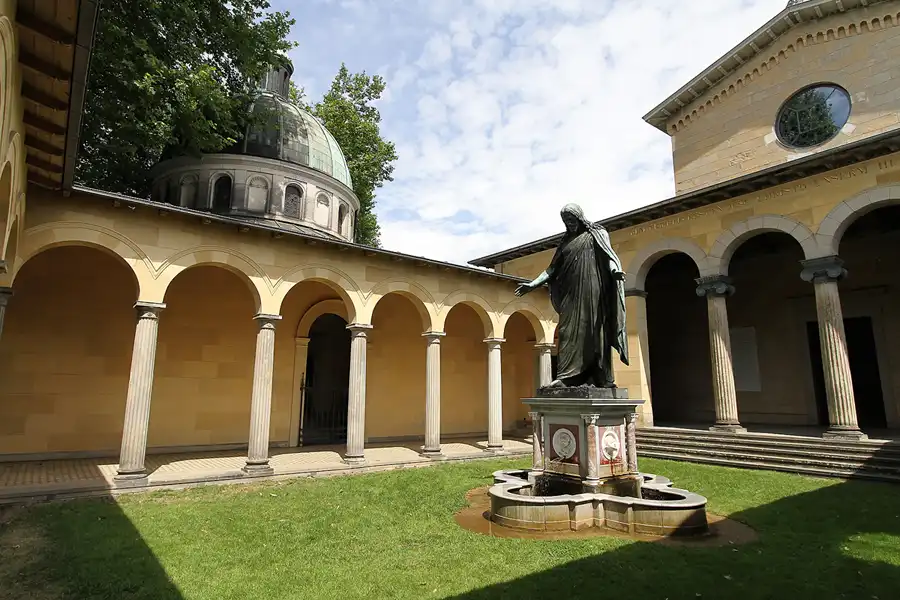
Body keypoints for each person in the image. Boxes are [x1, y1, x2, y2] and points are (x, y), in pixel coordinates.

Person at [515, 203, 628, 388]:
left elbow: (609, 257)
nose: (569, 223)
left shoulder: (597, 234)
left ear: (579, 217)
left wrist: (615, 271)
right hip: (571, 294)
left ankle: (601, 376)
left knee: (594, 331)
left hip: (593, 291)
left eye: (571, 219)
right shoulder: (565, 243)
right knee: (566, 332)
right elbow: (552, 269)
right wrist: (533, 284)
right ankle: (567, 377)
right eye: (565, 221)